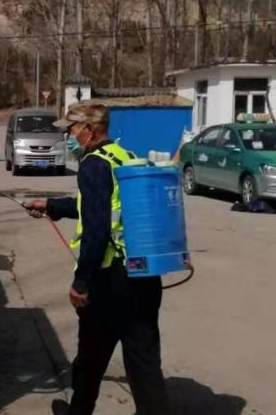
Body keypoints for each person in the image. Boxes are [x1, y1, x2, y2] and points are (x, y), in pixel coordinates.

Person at [24, 102, 169, 415]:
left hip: (109, 283)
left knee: (90, 358)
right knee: (144, 360)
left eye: (71, 129)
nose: (68, 136)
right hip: (143, 273)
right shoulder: (123, 156)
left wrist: (82, 282)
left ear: (89, 129)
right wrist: (51, 205)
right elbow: (98, 205)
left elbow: (97, 227)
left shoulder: (92, 164)